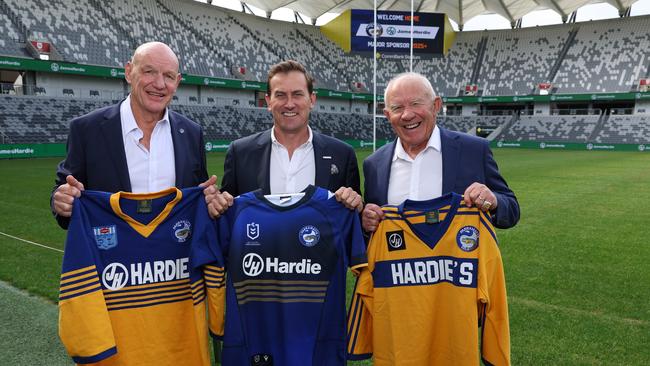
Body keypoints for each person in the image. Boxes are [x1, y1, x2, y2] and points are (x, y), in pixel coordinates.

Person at [51, 41, 226, 228]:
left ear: (177, 82)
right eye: (149, 71)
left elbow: (198, 196)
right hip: (111, 254)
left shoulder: (192, 133)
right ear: (129, 72)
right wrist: (61, 201)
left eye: (168, 76)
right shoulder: (86, 129)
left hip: (173, 255)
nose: (159, 84)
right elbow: (64, 192)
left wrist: (209, 199)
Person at [362, 72, 519, 232]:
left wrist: (492, 201)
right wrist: (367, 223)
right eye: (397, 108)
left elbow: (511, 209)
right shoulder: (374, 164)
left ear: (436, 105)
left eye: (416, 103)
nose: (407, 115)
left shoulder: (473, 150)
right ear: (388, 115)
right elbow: (370, 225)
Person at [219, 60, 363, 211]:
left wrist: (358, 207)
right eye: (280, 95)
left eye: (297, 94)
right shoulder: (240, 153)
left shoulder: (342, 155)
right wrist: (216, 204)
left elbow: (355, 218)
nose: (289, 104)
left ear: (312, 100)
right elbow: (226, 214)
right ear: (268, 101)